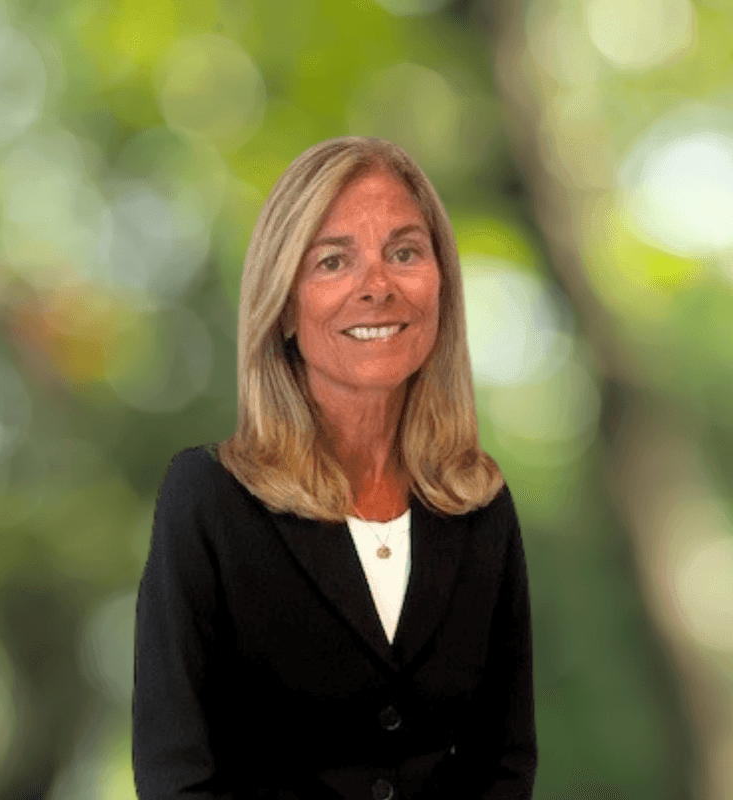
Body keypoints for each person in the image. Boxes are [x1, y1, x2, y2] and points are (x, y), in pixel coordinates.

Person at [133, 136, 537, 799]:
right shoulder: (207, 502)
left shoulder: (481, 508)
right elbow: (177, 775)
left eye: (404, 253)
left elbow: (505, 765)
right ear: (284, 303)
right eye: (333, 261)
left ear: (441, 285)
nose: (376, 286)